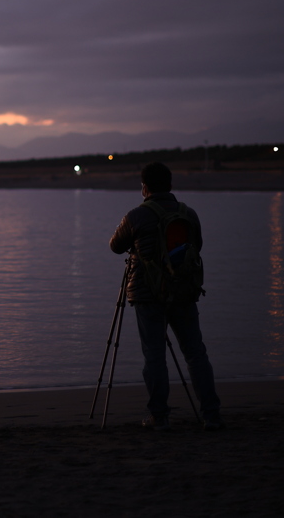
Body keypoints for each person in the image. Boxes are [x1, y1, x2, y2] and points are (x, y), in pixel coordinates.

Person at [109, 162, 223, 431]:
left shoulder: (137, 215)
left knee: (154, 356)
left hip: (147, 294)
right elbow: (198, 247)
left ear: (144, 188)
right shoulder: (188, 214)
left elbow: (116, 246)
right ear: (170, 186)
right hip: (184, 291)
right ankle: (212, 415)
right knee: (196, 353)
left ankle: (159, 417)